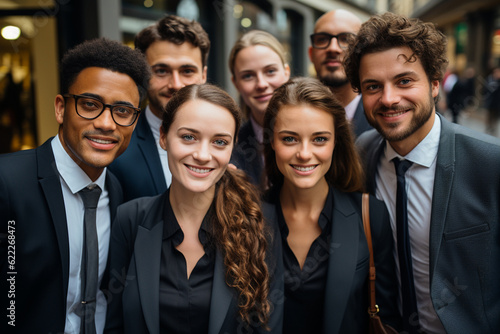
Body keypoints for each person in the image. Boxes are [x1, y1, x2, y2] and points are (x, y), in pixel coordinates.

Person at [344, 12, 500, 334]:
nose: (388, 99)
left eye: (404, 81)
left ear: (433, 84)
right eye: (373, 86)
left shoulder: (491, 162)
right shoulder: (364, 152)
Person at [104, 84, 282, 334]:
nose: (202, 154)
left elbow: (268, 326)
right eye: (188, 137)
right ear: (164, 137)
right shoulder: (130, 219)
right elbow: (114, 324)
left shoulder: (263, 223)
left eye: (219, 142)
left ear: (232, 148)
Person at [0, 38, 150, 334]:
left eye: (122, 111)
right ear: (60, 108)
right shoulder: (7, 181)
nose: (107, 123)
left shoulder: (117, 191)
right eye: (90, 105)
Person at [262, 77, 400, 333]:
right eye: (290, 139)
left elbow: (388, 314)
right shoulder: (248, 217)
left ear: (336, 141)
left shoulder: (370, 215)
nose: (304, 153)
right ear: (272, 141)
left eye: (319, 139)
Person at [109, 14, 210, 202]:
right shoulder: (117, 148)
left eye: (187, 71)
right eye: (161, 71)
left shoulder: (229, 145)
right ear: (142, 74)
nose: (176, 84)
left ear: (203, 75)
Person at [229, 30, 290, 186]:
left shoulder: (318, 132)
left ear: (286, 72)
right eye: (248, 76)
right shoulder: (230, 148)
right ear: (236, 83)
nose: (261, 84)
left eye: (270, 71)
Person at [309, 9, 372, 138]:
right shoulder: (296, 116)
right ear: (311, 54)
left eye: (346, 39)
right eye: (322, 39)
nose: (333, 48)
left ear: (362, 52)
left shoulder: (381, 117)